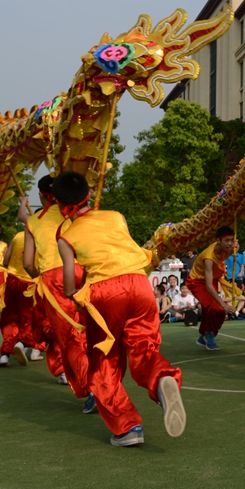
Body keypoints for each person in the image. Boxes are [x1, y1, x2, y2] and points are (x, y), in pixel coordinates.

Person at [53, 170, 185, 447]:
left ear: (59, 203)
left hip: (104, 292)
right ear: (88, 194)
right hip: (140, 283)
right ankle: (161, 380)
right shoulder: (117, 217)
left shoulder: (65, 234)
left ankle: (127, 428)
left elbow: (69, 279)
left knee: (104, 362)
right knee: (144, 347)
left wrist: (73, 295)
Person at [22, 176, 90, 398]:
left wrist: (40, 279)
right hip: (83, 271)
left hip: (53, 278)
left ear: (42, 196)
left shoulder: (33, 221)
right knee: (88, 331)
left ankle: (91, 387)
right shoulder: (75, 214)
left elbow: (28, 264)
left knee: (69, 337)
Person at [187, 227, 239, 351]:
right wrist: (225, 305)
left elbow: (235, 248)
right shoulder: (208, 257)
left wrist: (236, 247)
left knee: (212, 311)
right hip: (198, 282)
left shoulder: (230, 248)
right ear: (218, 241)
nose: (230, 243)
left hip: (213, 280)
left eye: (232, 240)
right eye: (227, 240)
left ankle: (204, 336)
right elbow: (209, 287)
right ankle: (208, 334)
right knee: (217, 309)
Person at [0, 228, 39, 366]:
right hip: (30, 283)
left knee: (10, 318)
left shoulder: (17, 236)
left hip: (12, 280)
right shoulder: (43, 236)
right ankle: (22, 343)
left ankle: (5, 355)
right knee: (29, 319)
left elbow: (5, 261)